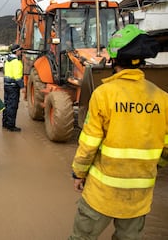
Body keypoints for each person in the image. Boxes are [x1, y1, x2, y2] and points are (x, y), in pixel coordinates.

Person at [69, 24, 168, 239]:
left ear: (114, 59)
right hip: (138, 196)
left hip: (101, 193)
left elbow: (89, 143)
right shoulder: (162, 98)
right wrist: (150, 167)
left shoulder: (104, 94)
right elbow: (166, 149)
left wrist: (79, 173)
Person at [2, 44, 24, 132]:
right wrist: (22, 87)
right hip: (13, 87)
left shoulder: (7, 61)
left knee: (6, 104)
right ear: (16, 51)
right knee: (12, 106)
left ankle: (5, 123)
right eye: (20, 51)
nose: (21, 52)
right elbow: (17, 77)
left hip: (6, 85)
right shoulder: (17, 62)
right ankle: (11, 125)